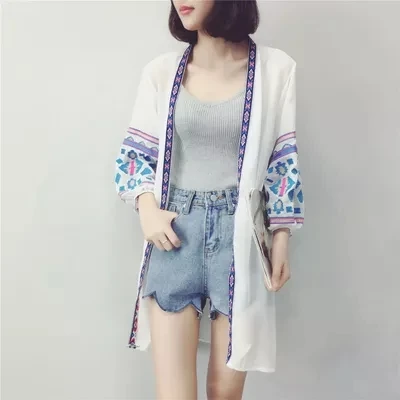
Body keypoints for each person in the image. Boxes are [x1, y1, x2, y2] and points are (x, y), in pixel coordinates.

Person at [114, 1, 305, 399]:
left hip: (240, 239)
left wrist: (281, 236)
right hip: (175, 234)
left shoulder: (275, 70)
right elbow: (136, 155)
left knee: (224, 394)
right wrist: (147, 209)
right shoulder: (162, 72)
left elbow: (282, 160)